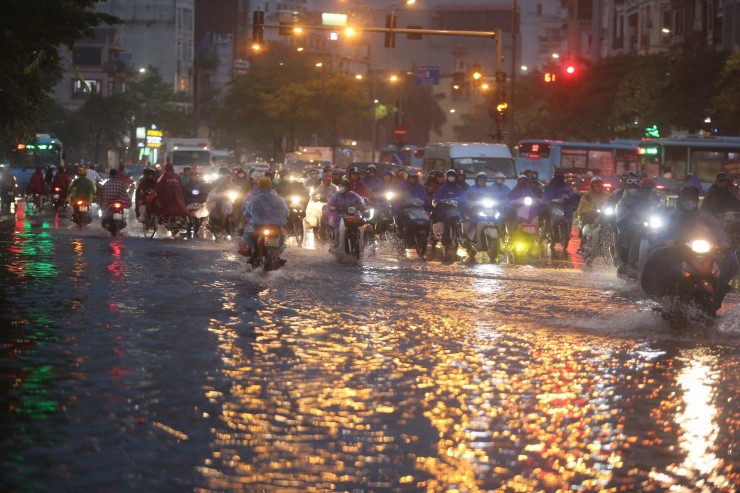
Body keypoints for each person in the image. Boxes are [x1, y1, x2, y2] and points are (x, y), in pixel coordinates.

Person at [641, 185, 738, 312]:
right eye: (687, 199)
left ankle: (718, 295)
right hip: (678, 252)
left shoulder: (704, 215)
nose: (690, 202)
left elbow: (717, 229)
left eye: (693, 199)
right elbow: (663, 233)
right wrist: (666, 242)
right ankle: (667, 298)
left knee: (730, 260)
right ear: (681, 200)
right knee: (660, 262)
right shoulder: (673, 216)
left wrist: (724, 241)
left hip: (703, 251)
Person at [243, 177, 290, 264]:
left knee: (249, 236)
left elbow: (247, 213)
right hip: (275, 227)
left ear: (259, 186)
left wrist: (249, 217)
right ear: (270, 185)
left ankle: (254, 255)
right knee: (281, 239)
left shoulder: (254, 199)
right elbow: (286, 212)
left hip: (258, 227)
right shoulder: (278, 199)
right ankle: (276, 257)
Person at [614, 177, 643, 275]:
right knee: (623, 239)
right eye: (631, 187)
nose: (633, 189)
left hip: (642, 227)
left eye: (635, 187)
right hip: (627, 228)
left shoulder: (643, 200)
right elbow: (620, 215)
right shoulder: (623, 201)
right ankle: (625, 263)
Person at [327, 178, 365, 250]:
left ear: (348, 187)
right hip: (338, 216)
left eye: (343, 186)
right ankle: (336, 245)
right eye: (341, 185)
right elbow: (330, 205)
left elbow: (361, 203)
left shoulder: (354, 195)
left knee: (360, 227)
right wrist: (335, 208)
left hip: (352, 215)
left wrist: (361, 207)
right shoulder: (336, 195)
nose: (342, 187)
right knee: (338, 230)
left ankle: (361, 244)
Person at [576, 176, 610, 252]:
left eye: (599, 184)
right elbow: (583, 206)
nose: (597, 186)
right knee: (586, 229)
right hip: (590, 218)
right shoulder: (587, 196)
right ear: (592, 185)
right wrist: (589, 210)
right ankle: (584, 245)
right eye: (595, 185)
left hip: (603, 218)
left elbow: (610, 204)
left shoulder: (607, 195)